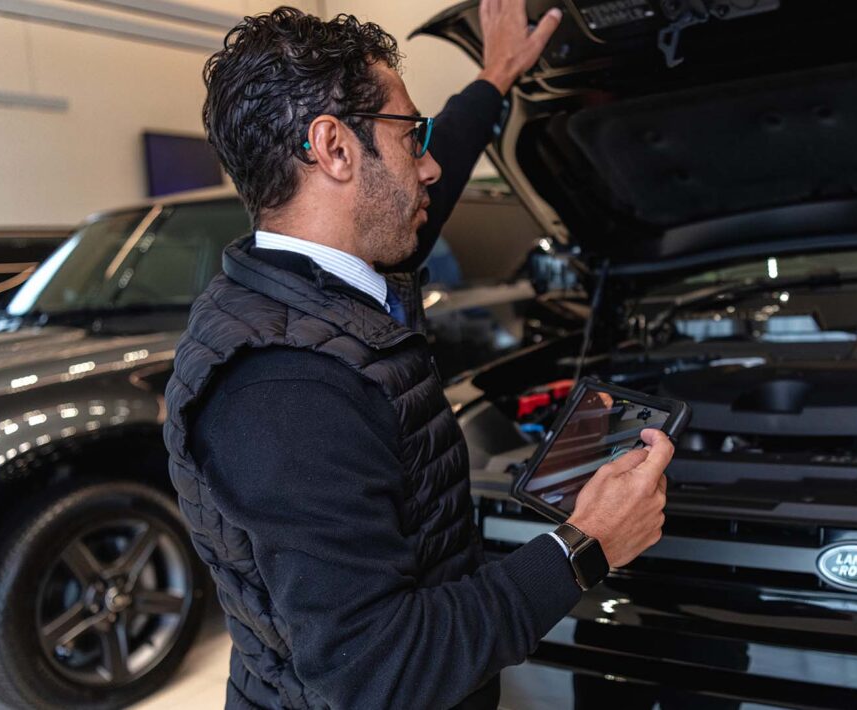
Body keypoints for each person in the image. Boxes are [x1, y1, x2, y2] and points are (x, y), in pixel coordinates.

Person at [161, 3, 674, 709]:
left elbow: (434, 173)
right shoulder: (283, 388)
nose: (431, 163)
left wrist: (495, 77)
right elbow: (380, 672)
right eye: (412, 135)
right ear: (334, 148)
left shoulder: (321, 285)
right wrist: (585, 547)